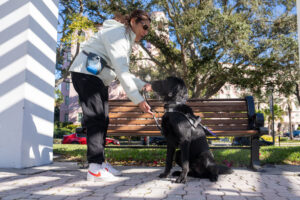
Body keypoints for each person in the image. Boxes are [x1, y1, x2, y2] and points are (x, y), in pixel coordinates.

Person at [70, 10, 153, 182]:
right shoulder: (118, 34)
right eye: (144, 27)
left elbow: (122, 70)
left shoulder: (125, 38)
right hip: (86, 74)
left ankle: (100, 163)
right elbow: (122, 72)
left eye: (148, 29)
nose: (145, 32)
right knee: (95, 118)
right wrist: (138, 100)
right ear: (133, 21)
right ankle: (94, 169)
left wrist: (142, 85)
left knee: (103, 119)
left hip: (97, 77)